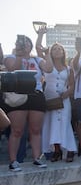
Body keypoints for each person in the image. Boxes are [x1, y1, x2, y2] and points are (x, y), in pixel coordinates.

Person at [3, 35, 53, 171]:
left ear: (30, 46)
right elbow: (13, 69)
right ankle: (13, 161)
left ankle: (37, 158)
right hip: (18, 95)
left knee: (36, 130)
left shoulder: (37, 59)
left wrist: (47, 55)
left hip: (36, 94)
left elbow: (48, 69)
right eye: (21, 44)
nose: (25, 46)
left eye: (27, 44)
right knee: (17, 130)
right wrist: (19, 55)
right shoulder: (10, 57)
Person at [41, 43, 77, 162]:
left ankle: (70, 149)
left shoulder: (68, 68)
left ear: (63, 52)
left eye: (59, 49)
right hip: (50, 99)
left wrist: (67, 93)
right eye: (54, 49)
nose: (57, 51)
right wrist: (40, 35)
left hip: (63, 99)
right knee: (52, 124)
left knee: (65, 123)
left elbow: (72, 84)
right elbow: (38, 49)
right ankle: (57, 150)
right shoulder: (47, 65)